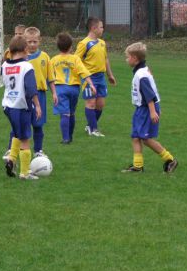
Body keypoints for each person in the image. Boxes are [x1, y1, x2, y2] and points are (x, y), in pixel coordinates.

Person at [122, 41, 178, 174]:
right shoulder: (142, 70)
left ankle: (170, 159)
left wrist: (153, 111)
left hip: (147, 108)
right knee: (135, 137)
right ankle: (137, 166)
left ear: (135, 59)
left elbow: (149, 95)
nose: (126, 59)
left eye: (128, 57)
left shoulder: (141, 75)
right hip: (142, 108)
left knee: (145, 139)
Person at [1, 35, 42, 180]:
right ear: (25, 49)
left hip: (7, 106)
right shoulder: (27, 66)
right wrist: (37, 105)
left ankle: (11, 160)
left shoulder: (4, 66)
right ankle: (25, 173)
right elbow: (31, 89)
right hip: (21, 107)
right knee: (25, 139)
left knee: (17, 134)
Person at [48, 32, 95, 145]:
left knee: (65, 113)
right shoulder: (75, 59)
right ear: (70, 47)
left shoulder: (53, 60)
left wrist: (53, 91)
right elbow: (83, 72)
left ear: (58, 46)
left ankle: (65, 138)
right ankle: (70, 136)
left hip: (60, 88)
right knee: (72, 113)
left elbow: (50, 77)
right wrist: (91, 84)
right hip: (74, 89)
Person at [75, 16, 116, 136]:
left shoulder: (102, 43)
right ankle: (93, 129)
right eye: (101, 27)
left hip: (101, 77)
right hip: (90, 78)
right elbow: (76, 60)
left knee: (100, 104)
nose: (103, 29)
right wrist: (82, 75)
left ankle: (89, 126)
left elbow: (105, 59)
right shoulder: (84, 43)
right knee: (91, 103)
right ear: (93, 28)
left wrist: (110, 75)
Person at [23, 27, 55, 156]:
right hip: (24, 95)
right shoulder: (22, 57)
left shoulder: (45, 56)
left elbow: (50, 77)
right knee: (22, 124)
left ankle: (38, 150)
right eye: (29, 42)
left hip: (40, 94)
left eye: (34, 42)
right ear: (25, 41)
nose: (32, 44)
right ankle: (14, 150)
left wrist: (54, 93)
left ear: (39, 41)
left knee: (38, 124)